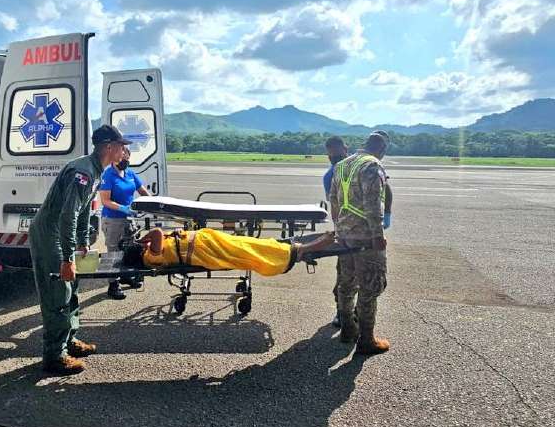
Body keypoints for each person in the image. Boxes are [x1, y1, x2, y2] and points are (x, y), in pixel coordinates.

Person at [29, 124, 129, 375]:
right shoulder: (82, 172)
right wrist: (66, 257)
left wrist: (84, 241)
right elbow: (67, 215)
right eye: (121, 145)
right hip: (49, 234)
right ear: (109, 147)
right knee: (58, 291)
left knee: (71, 286)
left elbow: (85, 210)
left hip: (61, 233)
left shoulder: (96, 170)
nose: (125, 150)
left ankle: (69, 340)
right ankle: (54, 357)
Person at [329, 132, 390, 355]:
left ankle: (348, 330)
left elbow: (333, 200)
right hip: (366, 237)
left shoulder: (343, 165)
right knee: (370, 287)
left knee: (346, 284)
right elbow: (373, 204)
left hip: (345, 236)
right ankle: (366, 340)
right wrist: (378, 235)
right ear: (382, 149)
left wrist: (340, 230)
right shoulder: (372, 166)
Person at [122, 227, 336, 276]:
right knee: (248, 251)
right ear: (140, 250)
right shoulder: (150, 257)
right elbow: (157, 232)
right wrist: (145, 239)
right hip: (207, 249)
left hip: (209, 242)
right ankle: (301, 250)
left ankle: (290, 249)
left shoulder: (150, 256)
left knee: (249, 244)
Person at [99, 147, 151, 300]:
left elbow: (142, 191)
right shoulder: (108, 175)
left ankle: (126, 276)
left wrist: (152, 203)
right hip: (113, 219)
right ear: (115, 158)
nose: (125, 161)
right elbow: (105, 200)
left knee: (129, 249)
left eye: (127, 159)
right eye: (122, 158)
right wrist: (123, 208)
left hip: (129, 219)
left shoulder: (130, 174)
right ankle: (113, 284)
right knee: (113, 252)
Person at [323, 136, 349, 328]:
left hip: (348, 231)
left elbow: (334, 208)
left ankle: (344, 313)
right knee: (347, 274)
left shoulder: (331, 174)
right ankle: (344, 313)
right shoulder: (331, 175)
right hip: (355, 232)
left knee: (346, 274)